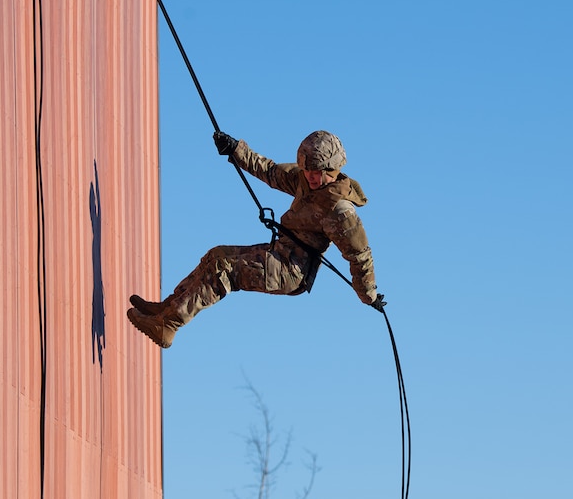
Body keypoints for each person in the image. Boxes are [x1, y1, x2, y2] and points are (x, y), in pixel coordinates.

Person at [127, 129, 385, 348]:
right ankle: (166, 311)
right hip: (279, 253)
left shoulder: (340, 211)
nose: (311, 177)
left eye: (318, 172)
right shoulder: (305, 182)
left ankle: (169, 325)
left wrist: (369, 296)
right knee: (216, 256)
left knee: (223, 270)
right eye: (308, 170)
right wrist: (235, 150)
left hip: (291, 271)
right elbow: (271, 171)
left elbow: (359, 256)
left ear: (334, 168)